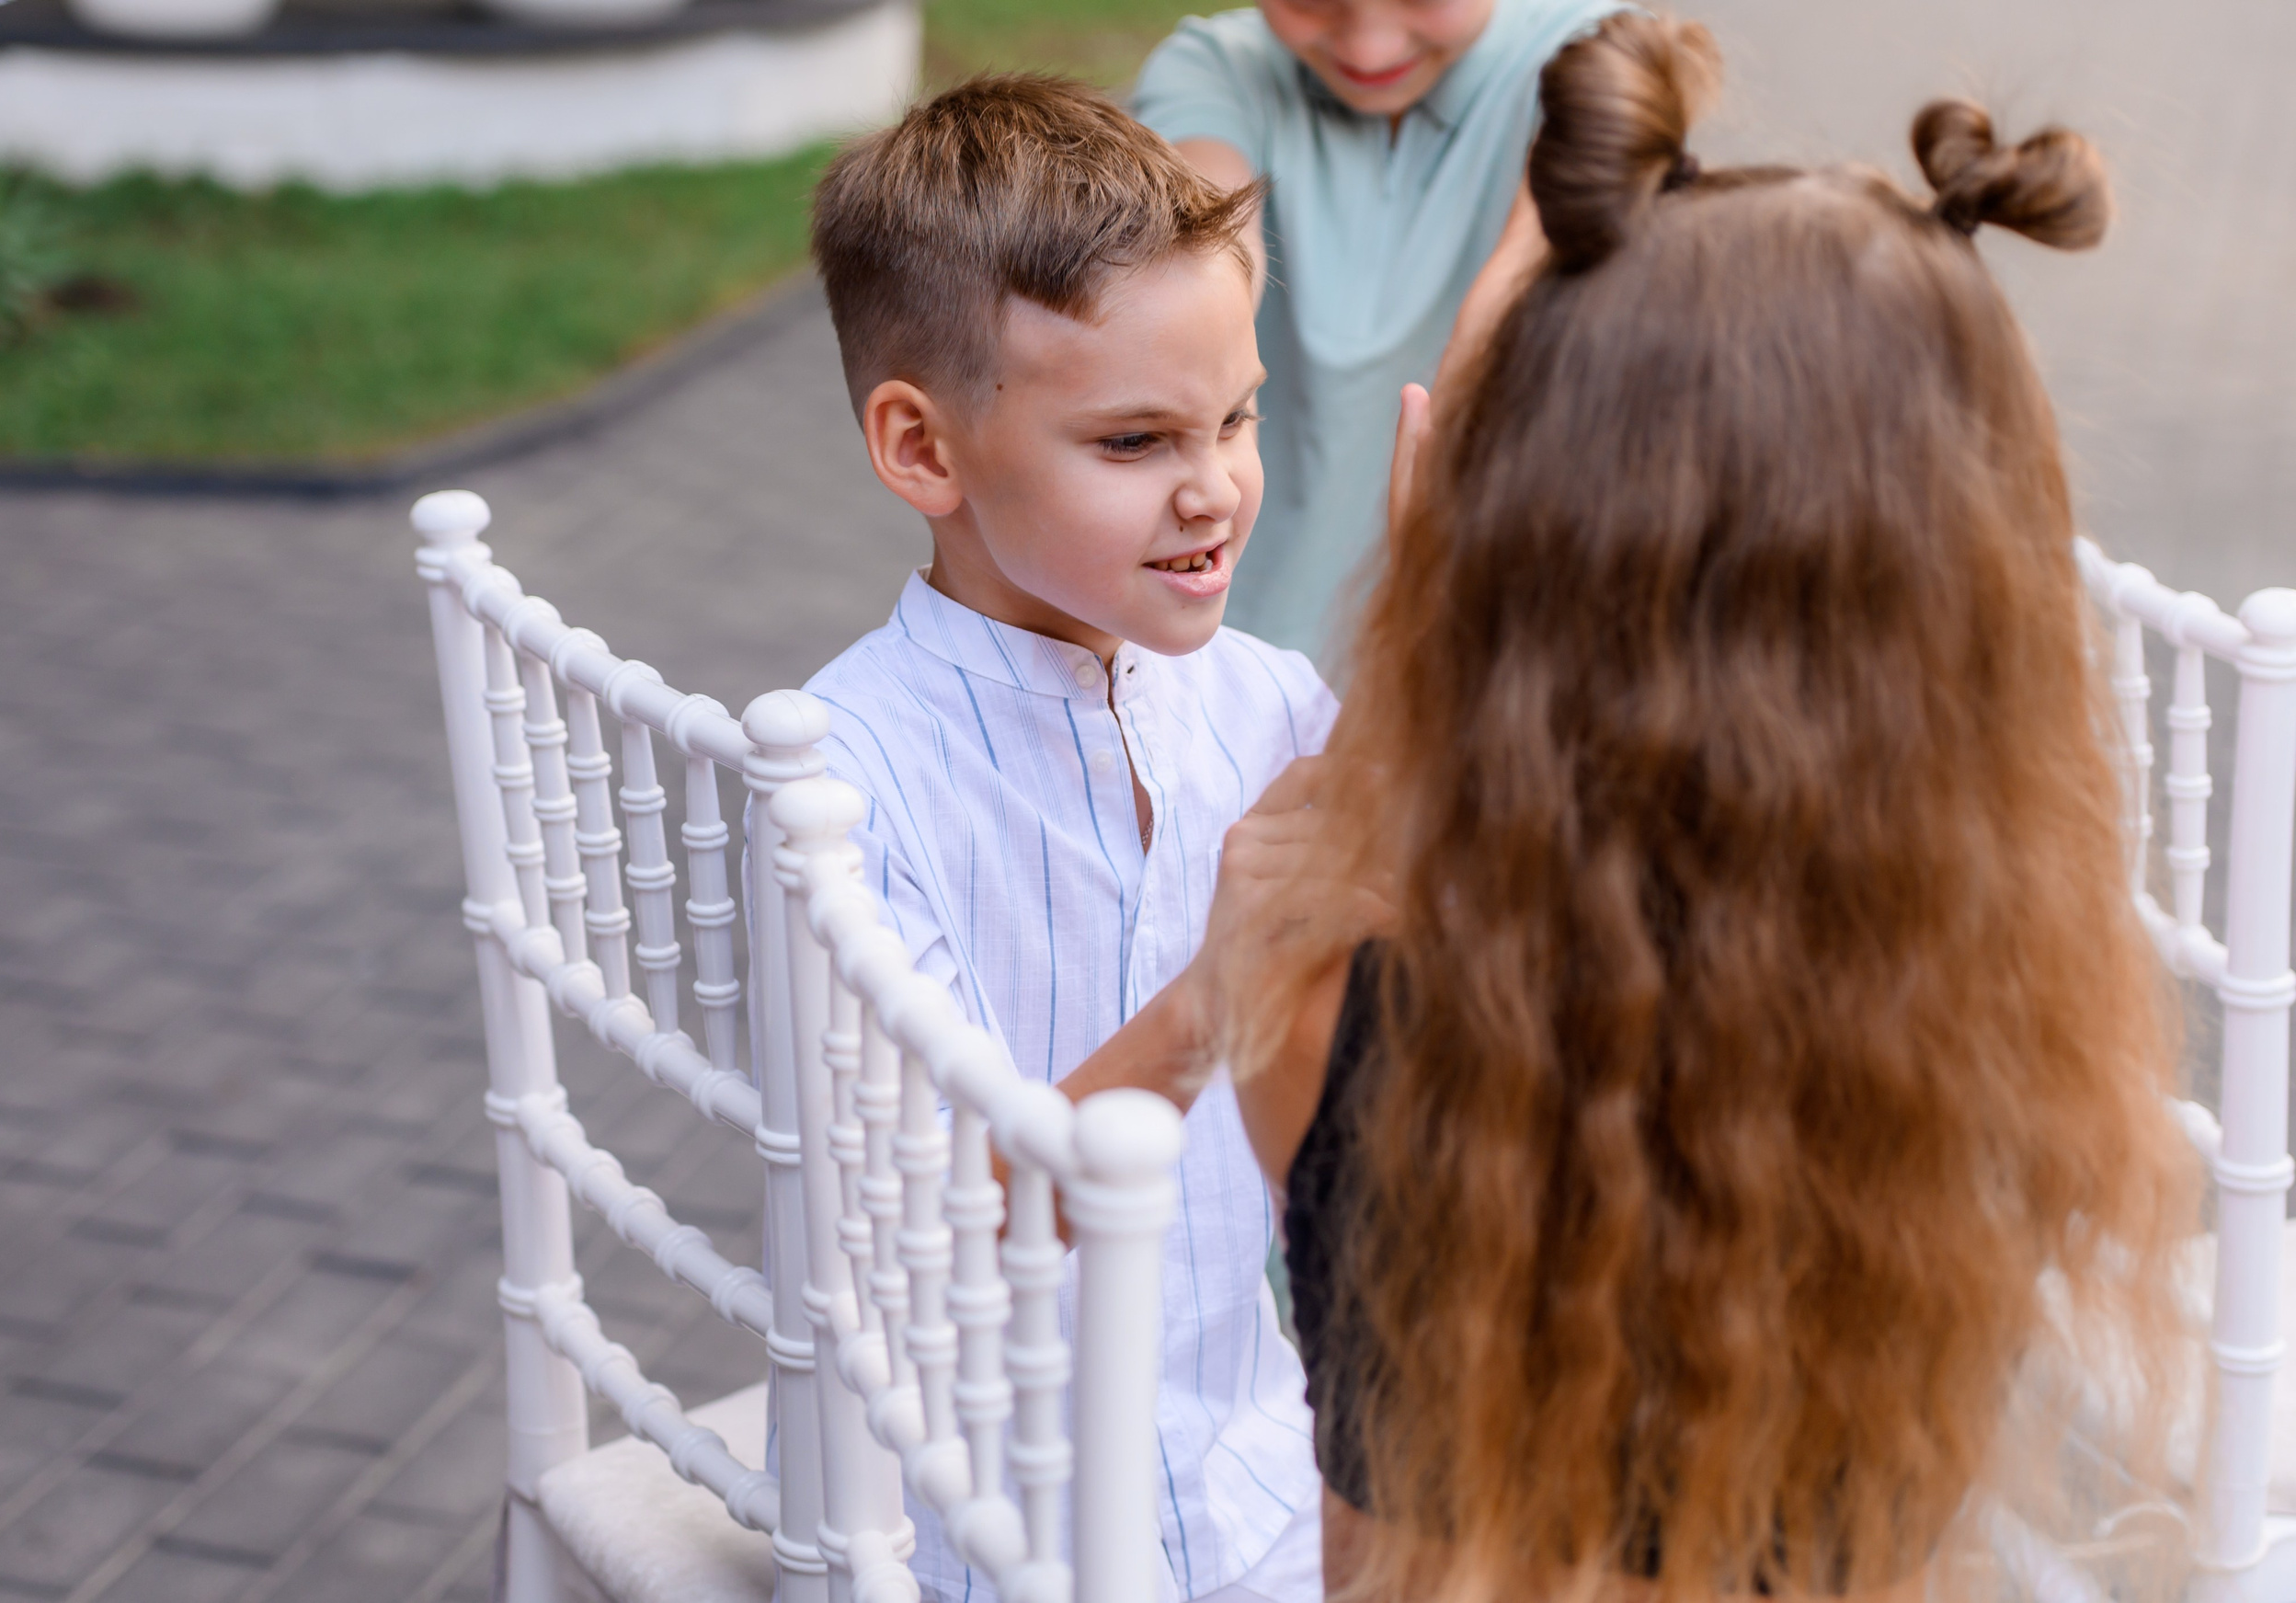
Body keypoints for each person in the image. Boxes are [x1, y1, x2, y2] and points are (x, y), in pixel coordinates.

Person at [1197, 12, 2199, 1599]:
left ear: (1517, 555)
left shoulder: (1324, 1001)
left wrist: (1430, 608)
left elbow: (1353, 850)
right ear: (1970, 599)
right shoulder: (1996, 1068)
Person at [803, 74, 1332, 1603]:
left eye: (1237, 416)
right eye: (1134, 441)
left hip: (1259, 1477)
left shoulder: (1269, 704)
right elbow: (930, 1241)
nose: (1216, 487)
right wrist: (1217, 991)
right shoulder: (841, 784)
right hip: (969, 1523)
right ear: (923, 449)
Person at [1130, 0, 1628, 665]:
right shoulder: (1217, 69)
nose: (1369, 49)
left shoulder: (1598, 58)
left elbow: (1515, 296)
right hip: (1236, 630)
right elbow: (1208, 251)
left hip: (1485, 635)